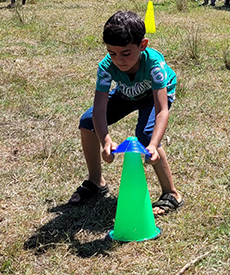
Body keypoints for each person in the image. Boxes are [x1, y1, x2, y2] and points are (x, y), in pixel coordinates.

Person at [72, 11, 183, 216]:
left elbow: (161, 110)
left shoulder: (154, 64)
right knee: (87, 121)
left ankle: (171, 193)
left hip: (154, 95)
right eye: (112, 53)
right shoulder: (106, 66)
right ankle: (96, 181)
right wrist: (105, 141)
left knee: (146, 134)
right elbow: (99, 109)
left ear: (142, 45)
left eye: (125, 53)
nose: (119, 60)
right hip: (127, 92)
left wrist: (153, 145)